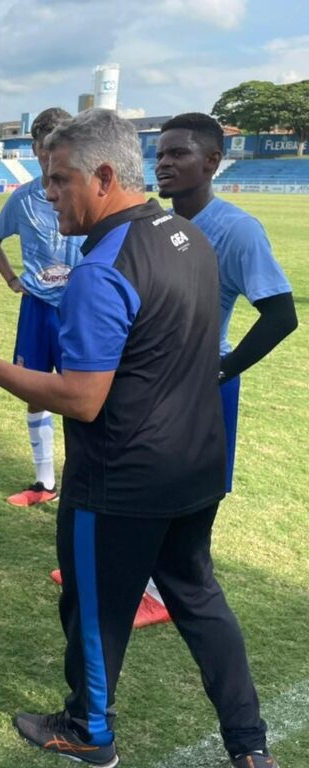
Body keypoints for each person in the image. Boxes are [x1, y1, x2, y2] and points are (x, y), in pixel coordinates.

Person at [0, 108, 277, 768]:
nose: (49, 196)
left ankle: (88, 731)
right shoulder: (187, 238)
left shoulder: (102, 269)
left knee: (93, 610)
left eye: (58, 180)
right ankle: (250, 747)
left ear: (102, 176)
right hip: (195, 467)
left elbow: (82, 397)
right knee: (200, 600)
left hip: (122, 480)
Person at [133, 112, 300, 631]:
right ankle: (132, 577)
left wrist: (223, 370)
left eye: (178, 153)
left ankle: (163, 592)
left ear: (212, 162)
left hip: (203, 387)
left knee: (190, 498)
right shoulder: (152, 221)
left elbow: (281, 314)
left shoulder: (236, 228)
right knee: (143, 485)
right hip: (151, 384)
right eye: (160, 153)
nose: (164, 163)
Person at [0, 107, 84, 507]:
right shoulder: (23, 199)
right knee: (35, 391)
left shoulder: (83, 192)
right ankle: (45, 484)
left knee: (83, 395)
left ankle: (81, 481)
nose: (50, 159)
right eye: (44, 150)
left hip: (79, 310)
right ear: (35, 149)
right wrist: (13, 280)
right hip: (38, 307)